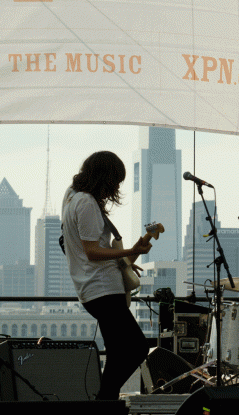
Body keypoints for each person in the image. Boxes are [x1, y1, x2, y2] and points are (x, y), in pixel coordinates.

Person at [61, 151, 152, 401]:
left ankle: (107, 401)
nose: (116, 188)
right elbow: (91, 252)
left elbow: (84, 248)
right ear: (106, 178)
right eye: (116, 181)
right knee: (137, 348)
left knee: (116, 351)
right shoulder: (87, 204)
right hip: (102, 288)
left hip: (93, 289)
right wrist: (132, 251)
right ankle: (105, 399)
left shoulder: (71, 197)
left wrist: (124, 260)